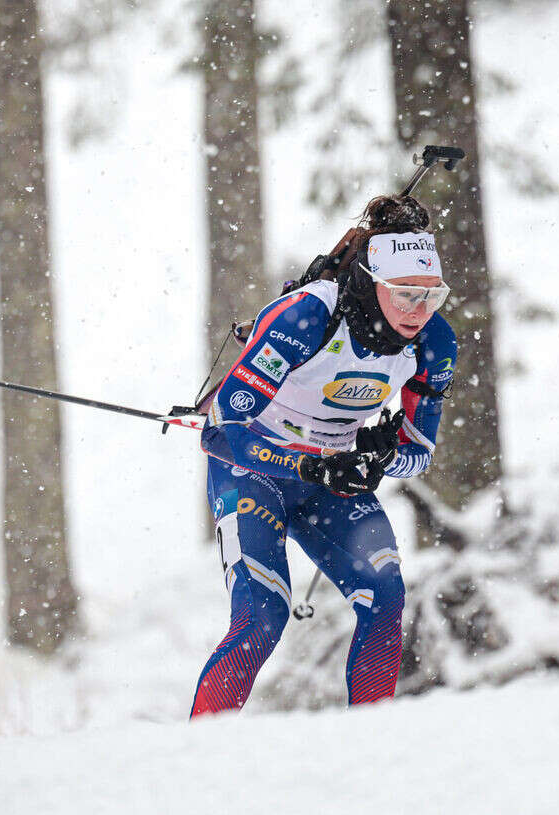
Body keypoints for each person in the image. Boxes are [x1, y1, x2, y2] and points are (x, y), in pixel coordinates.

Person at [191, 194, 457, 717]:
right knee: (263, 616)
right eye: (404, 294)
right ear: (373, 281)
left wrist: (376, 460)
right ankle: (196, 755)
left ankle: (367, 750)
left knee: (385, 598)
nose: (417, 311)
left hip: (327, 482)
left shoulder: (434, 344)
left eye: (431, 295)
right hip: (253, 473)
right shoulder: (310, 315)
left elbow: (418, 452)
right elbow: (220, 432)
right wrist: (308, 463)